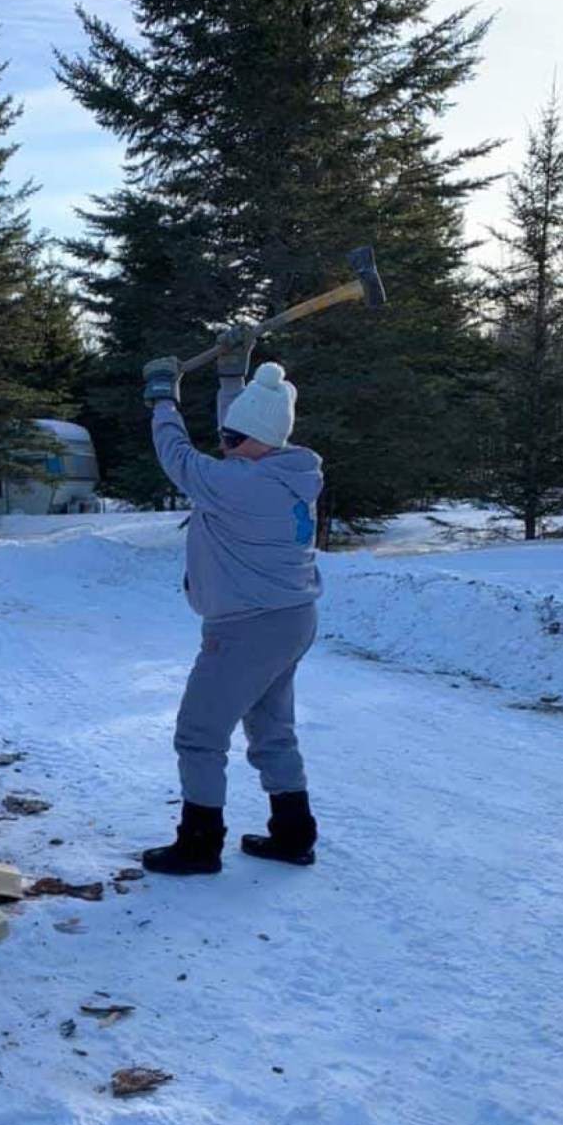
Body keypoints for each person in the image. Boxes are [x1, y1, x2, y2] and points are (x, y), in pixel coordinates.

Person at [139, 342, 324, 876]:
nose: (224, 443)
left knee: (198, 734)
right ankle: (293, 834)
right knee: (272, 728)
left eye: (231, 438)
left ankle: (199, 846)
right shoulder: (286, 472)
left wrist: (162, 400)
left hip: (246, 628)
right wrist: (230, 378)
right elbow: (243, 436)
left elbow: (178, 458)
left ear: (258, 440)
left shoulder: (238, 483)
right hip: (290, 618)